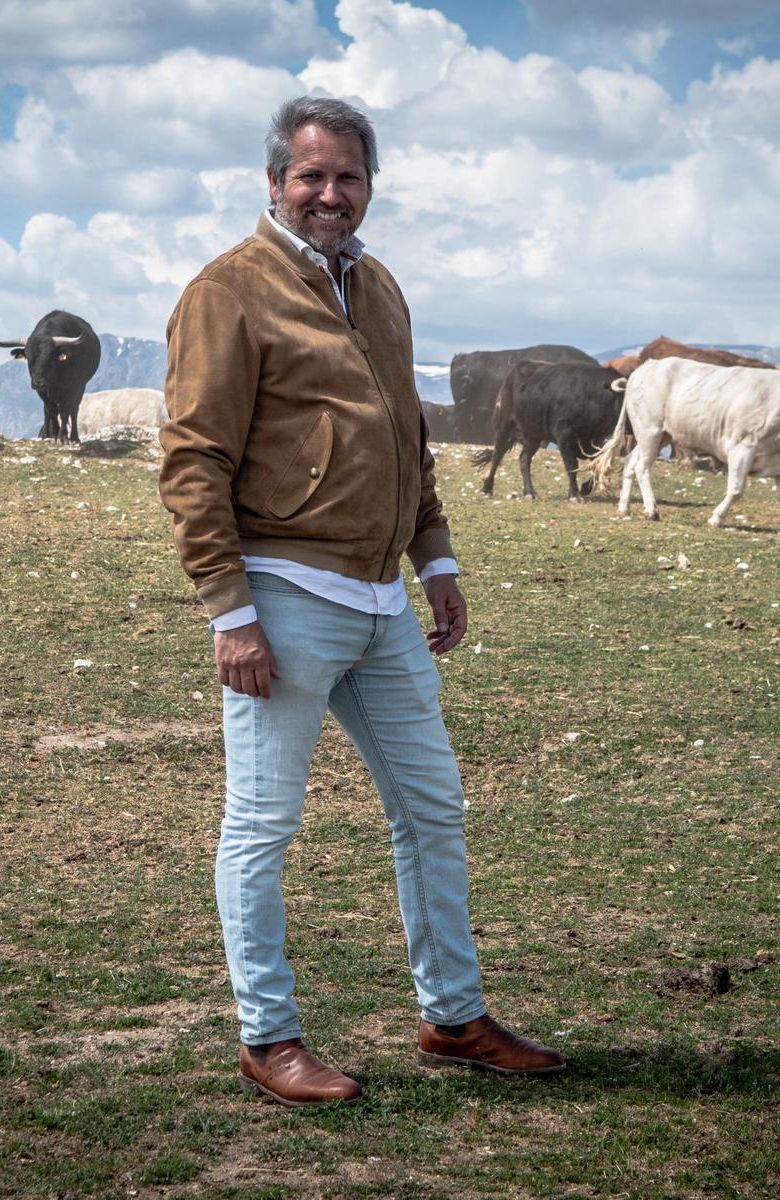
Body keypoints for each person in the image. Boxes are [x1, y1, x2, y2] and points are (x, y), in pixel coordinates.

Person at [158, 96, 566, 1107]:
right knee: (262, 825)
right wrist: (228, 608)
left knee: (432, 807)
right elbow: (192, 458)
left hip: (382, 600)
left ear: (367, 185)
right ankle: (268, 1037)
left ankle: (453, 1015)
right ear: (274, 184)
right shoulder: (228, 290)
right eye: (310, 177)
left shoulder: (375, 286)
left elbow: (406, 438)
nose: (329, 194)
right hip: (285, 594)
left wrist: (435, 555)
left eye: (346, 177)